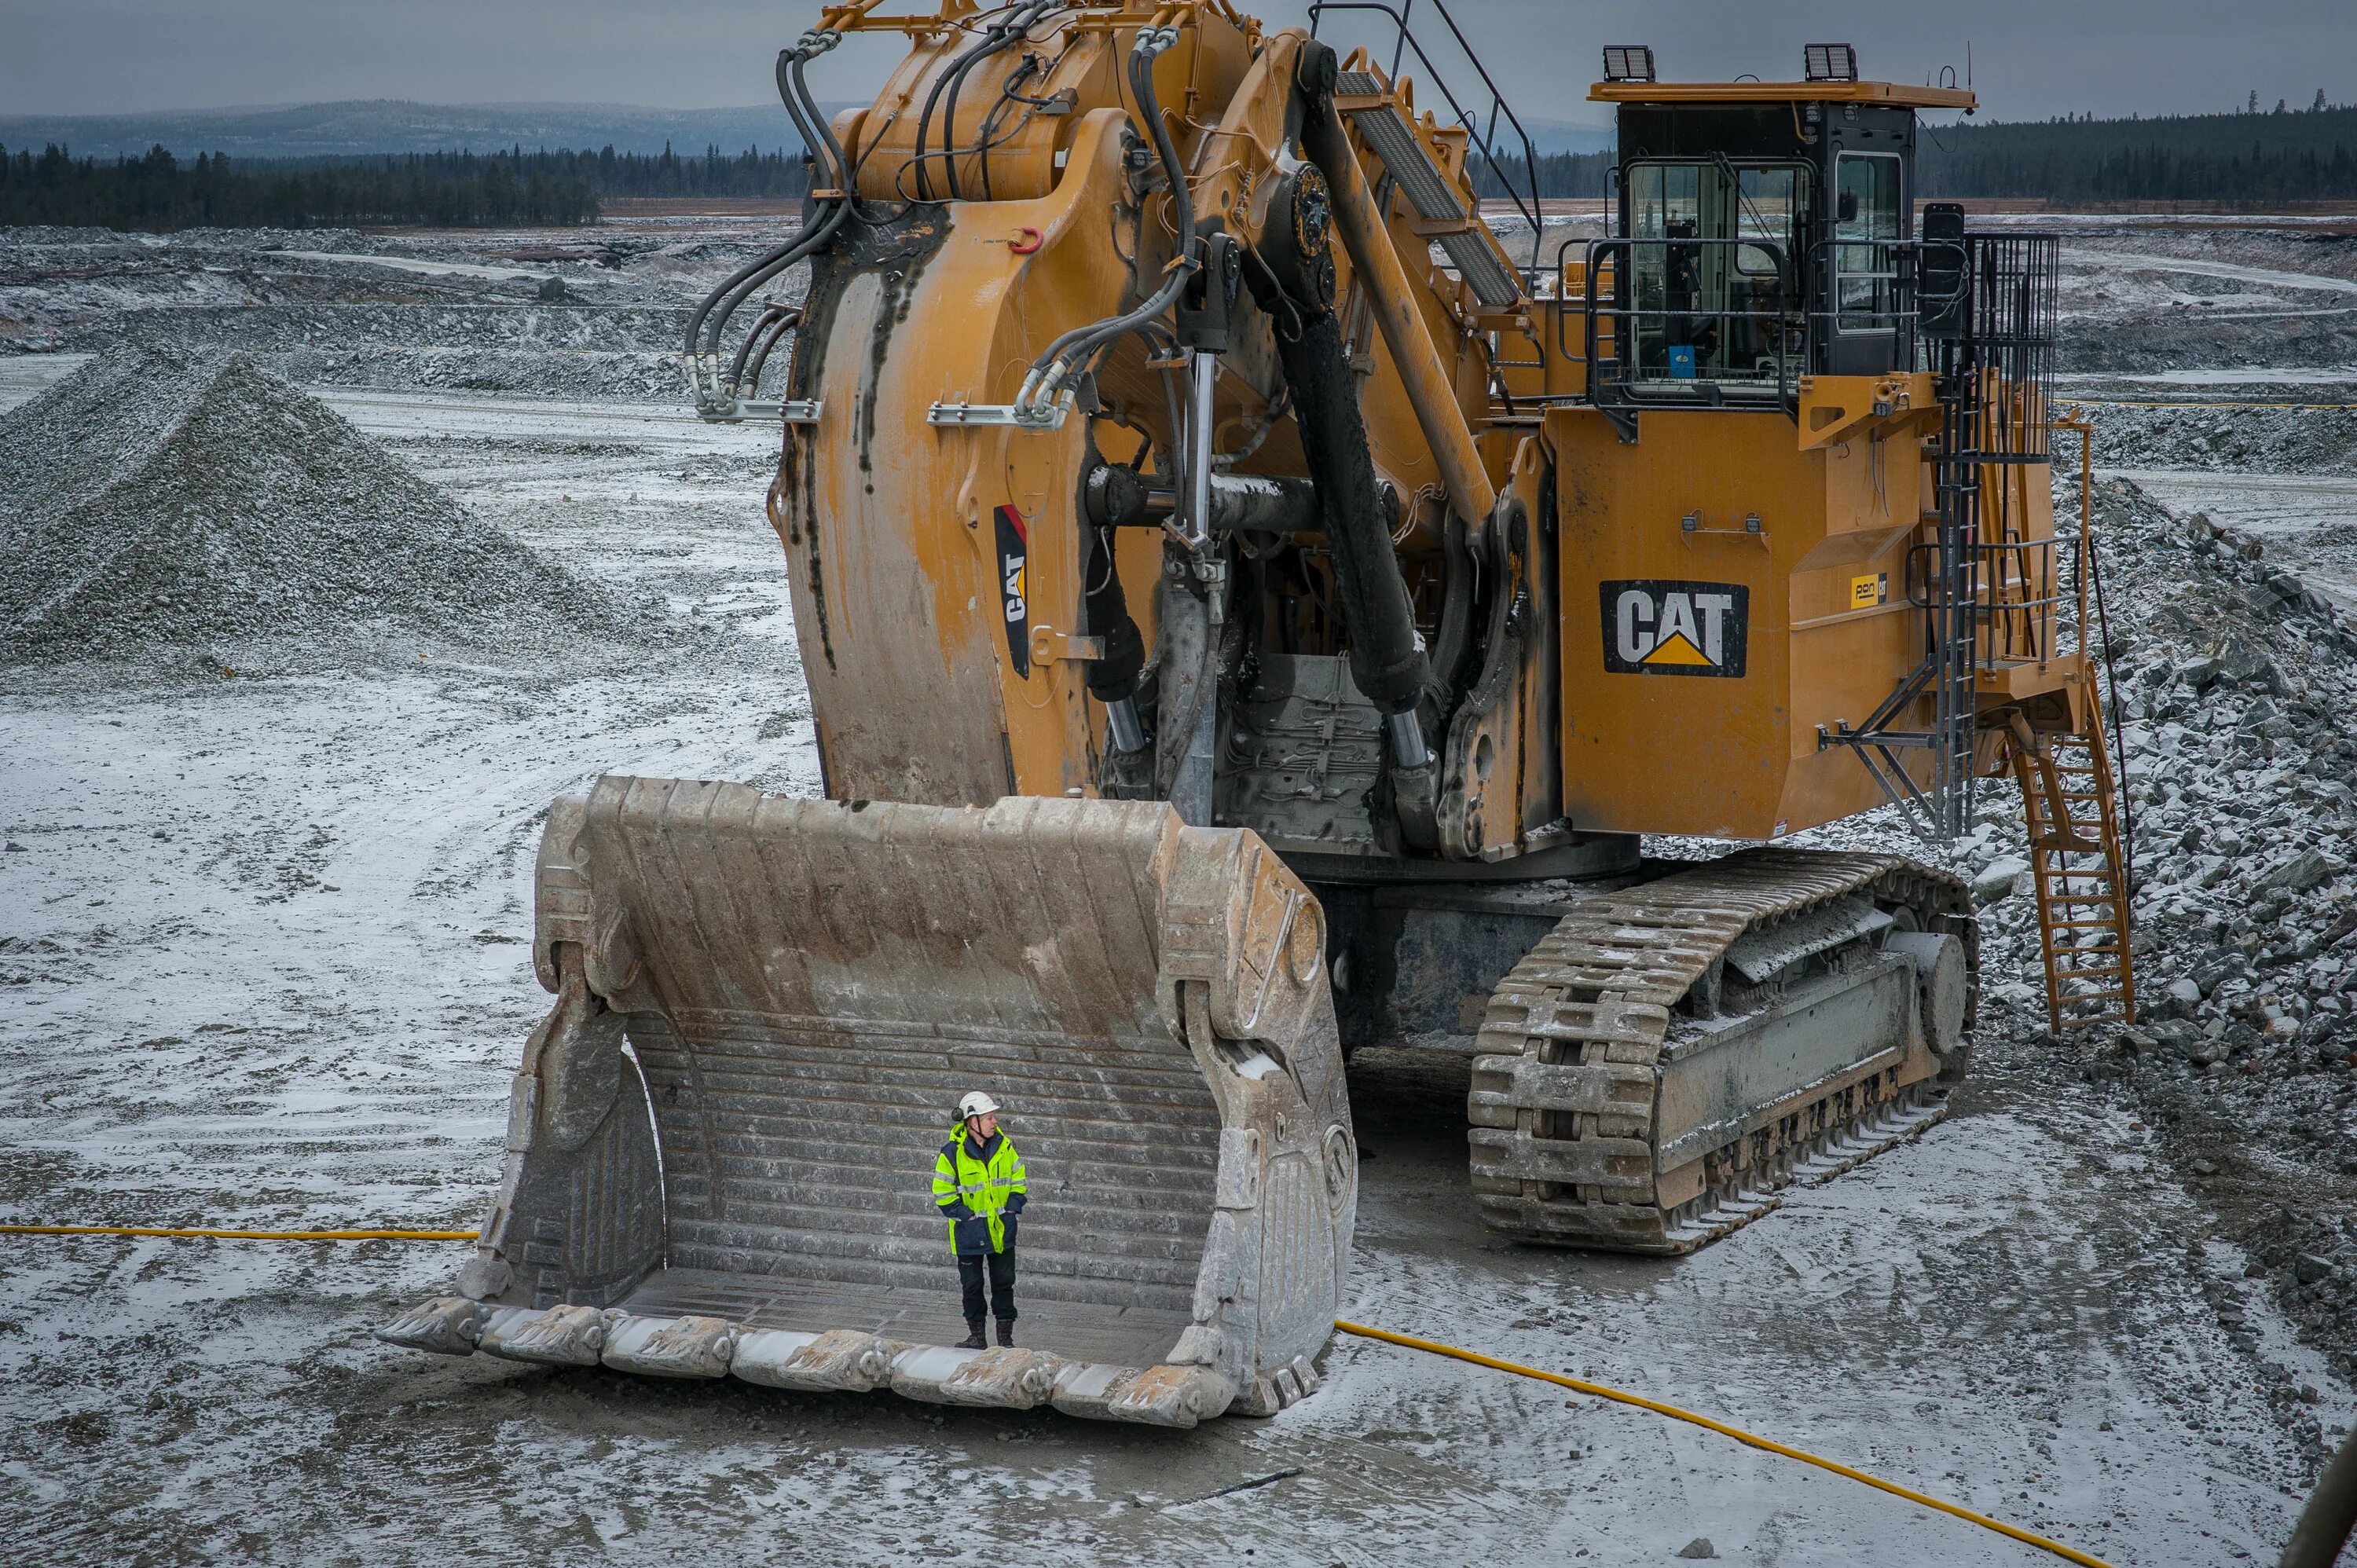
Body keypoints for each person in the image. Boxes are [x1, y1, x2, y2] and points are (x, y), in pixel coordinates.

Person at [931, 1090, 1027, 1349]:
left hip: (1000, 1229)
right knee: (972, 1287)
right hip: (969, 1232)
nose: (995, 1122)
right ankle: (977, 1338)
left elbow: (1019, 1179)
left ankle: (1005, 1341)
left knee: (1004, 1284)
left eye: (993, 1117)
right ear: (973, 1122)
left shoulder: (1005, 1148)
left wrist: (1013, 1208)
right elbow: (942, 1192)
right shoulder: (952, 1153)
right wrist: (966, 1215)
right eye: (989, 1117)